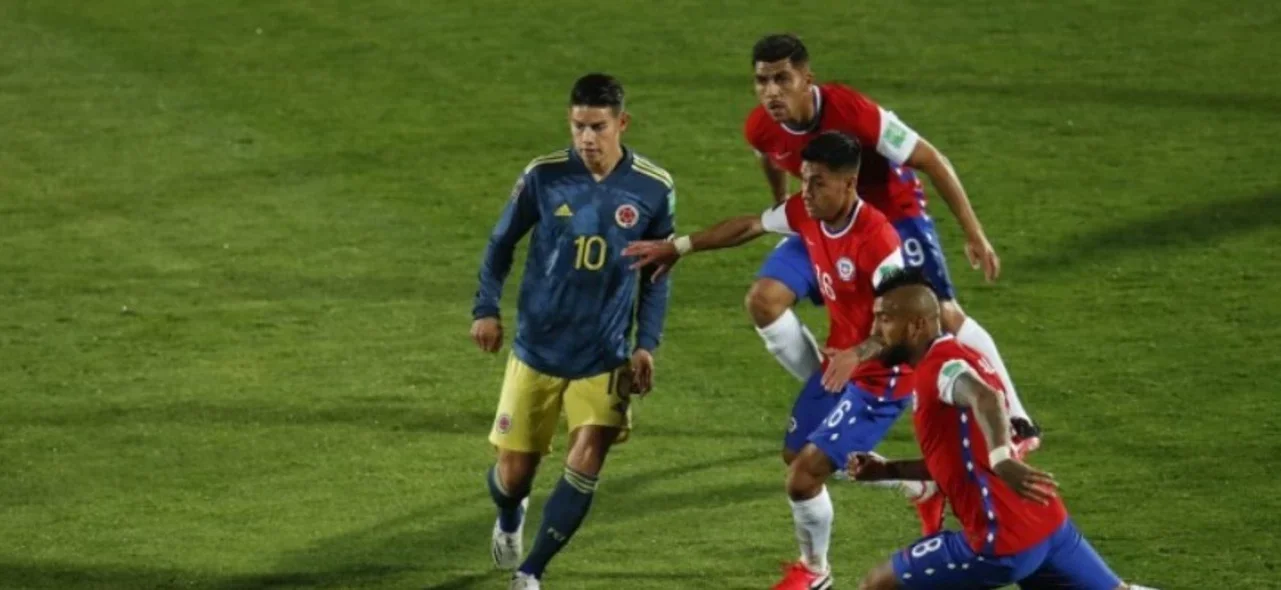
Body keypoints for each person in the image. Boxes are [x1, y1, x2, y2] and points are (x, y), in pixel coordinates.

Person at [626, 131, 913, 590]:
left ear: (850, 184)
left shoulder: (879, 240)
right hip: (843, 362)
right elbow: (750, 226)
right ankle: (915, 483)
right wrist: (679, 247)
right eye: (804, 180)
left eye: (818, 182)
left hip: (884, 375)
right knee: (795, 455)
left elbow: (907, 318)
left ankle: (816, 573)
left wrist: (859, 353)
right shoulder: (809, 210)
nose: (807, 192)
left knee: (802, 477)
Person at [740, 34, 1040, 455]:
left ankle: (1017, 418)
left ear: (807, 78)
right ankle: (833, 391)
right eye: (762, 81)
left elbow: (931, 159)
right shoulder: (761, 125)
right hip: (828, 219)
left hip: (892, 217)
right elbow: (769, 155)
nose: (772, 91)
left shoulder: (853, 112)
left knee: (945, 314)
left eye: (782, 79)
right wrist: (783, 205)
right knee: (764, 299)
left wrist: (974, 233)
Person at [470, 72, 676, 590]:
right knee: (514, 477)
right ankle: (510, 515)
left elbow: (659, 272)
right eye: (578, 126)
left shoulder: (654, 187)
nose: (586, 138)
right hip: (537, 349)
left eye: (598, 127)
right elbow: (500, 245)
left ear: (621, 124)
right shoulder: (544, 175)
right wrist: (486, 309)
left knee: (586, 461)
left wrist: (646, 344)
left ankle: (531, 571)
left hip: (604, 355)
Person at [847, 268, 1159, 590]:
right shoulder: (961, 356)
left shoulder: (940, 367)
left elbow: (985, 398)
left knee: (877, 584)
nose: (874, 331)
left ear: (916, 326)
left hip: (1001, 541)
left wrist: (1001, 459)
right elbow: (958, 460)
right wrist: (888, 469)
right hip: (1045, 522)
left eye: (884, 320)